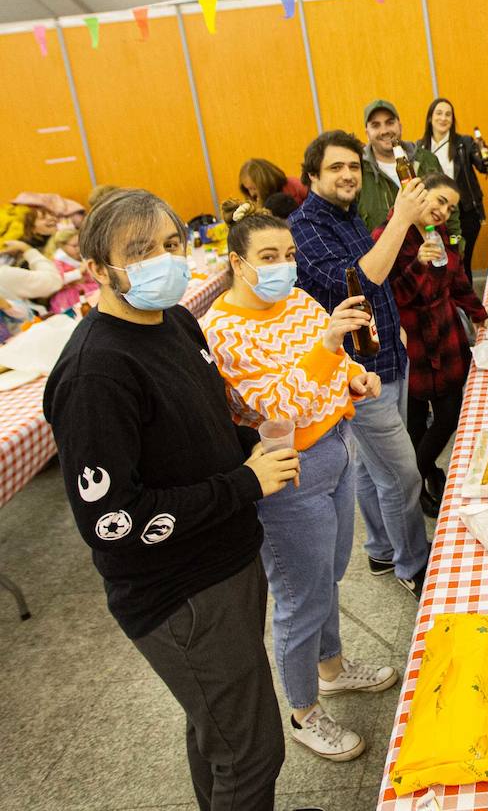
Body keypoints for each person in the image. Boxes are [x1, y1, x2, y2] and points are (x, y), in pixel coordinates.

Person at [43, 188, 301, 809]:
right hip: (180, 592)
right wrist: (244, 483)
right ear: (100, 272)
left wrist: (250, 445)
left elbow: (198, 429)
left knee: (217, 727)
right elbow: (112, 521)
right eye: (140, 251)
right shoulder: (95, 376)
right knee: (253, 751)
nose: (164, 260)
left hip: (225, 559)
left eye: (170, 245)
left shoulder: (176, 321)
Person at [202, 202, 398, 761]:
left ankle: (331, 668)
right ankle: (304, 710)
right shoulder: (224, 328)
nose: (282, 266)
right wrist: (331, 346)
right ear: (238, 264)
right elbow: (274, 403)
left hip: (335, 447)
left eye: (288, 255)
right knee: (299, 596)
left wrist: (356, 378)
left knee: (329, 574)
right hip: (289, 470)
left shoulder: (297, 300)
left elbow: (332, 370)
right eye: (268, 257)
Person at [291, 129, 432, 599]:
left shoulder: (347, 217)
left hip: (389, 353)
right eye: (336, 167)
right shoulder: (305, 228)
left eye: (353, 166)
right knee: (402, 473)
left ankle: (381, 548)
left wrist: (397, 328)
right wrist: (403, 219)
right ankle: (414, 565)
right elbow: (358, 280)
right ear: (312, 175)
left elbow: (380, 270)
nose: (348, 174)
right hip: (358, 375)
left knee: (375, 470)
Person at [373, 173, 487, 516]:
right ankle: (413, 485)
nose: (443, 210)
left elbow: (457, 281)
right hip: (412, 341)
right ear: (419, 193)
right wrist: (418, 263)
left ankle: (418, 477)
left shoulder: (439, 235)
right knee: (417, 422)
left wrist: (479, 314)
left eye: (450, 207)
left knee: (449, 414)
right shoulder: (387, 234)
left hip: (445, 336)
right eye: (439, 200)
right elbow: (392, 295)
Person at [413, 97, 488, 279]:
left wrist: (486, 160)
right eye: (439, 113)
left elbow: (484, 166)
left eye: (448, 114)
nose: (443, 118)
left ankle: (466, 300)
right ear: (430, 118)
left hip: (465, 214)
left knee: (461, 260)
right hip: (434, 215)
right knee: (439, 262)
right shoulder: (419, 148)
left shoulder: (464, 143)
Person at [354, 99, 454, 243]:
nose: (384, 131)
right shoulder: (358, 172)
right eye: (376, 125)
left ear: (399, 126)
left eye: (390, 122)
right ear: (367, 132)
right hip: (387, 263)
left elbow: (451, 209)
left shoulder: (428, 160)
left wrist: (456, 247)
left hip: (433, 257)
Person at [45, 228, 99, 313]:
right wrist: (79, 271)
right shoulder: (57, 260)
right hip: (69, 295)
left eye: (80, 244)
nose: (79, 248)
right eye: (74, 246)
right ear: (61, 246)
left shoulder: (81, 256)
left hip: (88, 287)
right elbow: (59, 279)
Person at [238, 158, 308, 208]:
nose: (251, 194)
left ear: (265, 182)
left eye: (253, 188)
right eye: (248, 189)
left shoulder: (295, 185)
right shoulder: (254, 203)